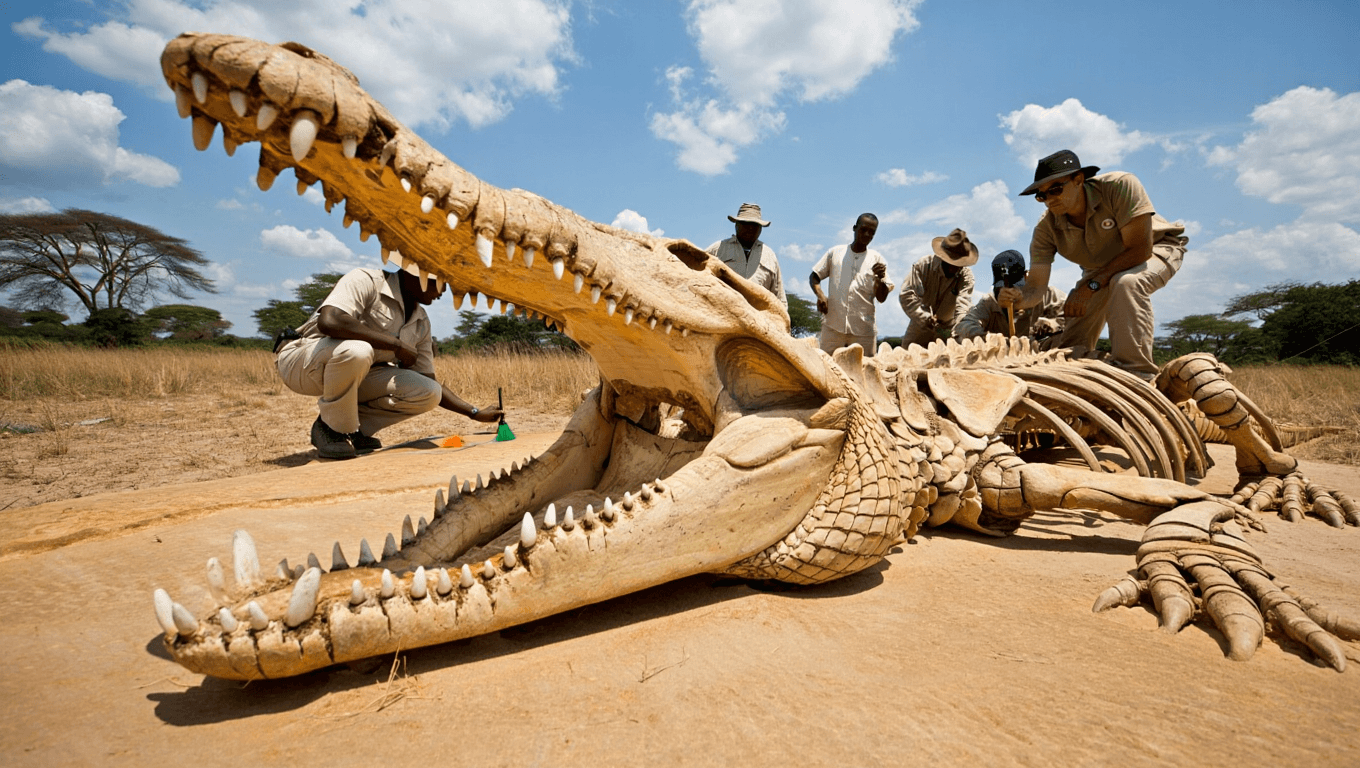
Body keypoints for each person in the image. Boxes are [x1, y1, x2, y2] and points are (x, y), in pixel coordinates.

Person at [276, 267, 503, 459]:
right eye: (439, 283)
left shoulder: (420, 321)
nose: (443, 291)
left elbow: (428, 380)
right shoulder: (366, 280)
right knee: (358, 350)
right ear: (415, 274)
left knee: (428, 392)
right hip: (303, 363)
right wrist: (396, 346)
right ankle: (333, 429)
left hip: (356, 374)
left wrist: (474, 412)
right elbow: (330, 320)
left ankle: (350, 428)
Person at [1000, 149, 1187, 380]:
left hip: (1154, 249)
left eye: (1056, 189)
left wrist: (1091, 286)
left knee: (1126, 283)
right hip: (1099, 272)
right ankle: (1078, 382)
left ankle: (1138, 377)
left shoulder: (1120, 186)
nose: (1049, 199)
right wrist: (1018, 298)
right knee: (1070, 348)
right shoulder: (1045, 229)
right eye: (1041, 195)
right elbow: (1036, 288)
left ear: (1078, 180)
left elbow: (1140, 249)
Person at [809, 213, 894, 357]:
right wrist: (820, 295)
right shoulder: (835, 253)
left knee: (864, 372)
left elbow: (881, 298)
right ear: (854, 228)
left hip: (863, 332)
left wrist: (879, 279)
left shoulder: (877, 260)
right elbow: (814, 276)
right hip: (833, 328)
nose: (867, 235)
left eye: (872, 232)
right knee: (826, 368)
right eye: (863, 229)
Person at [954, 249, 1066, 341]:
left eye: (1013, 287)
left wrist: (1054, 324)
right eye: (1001, 289)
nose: (1007, 293)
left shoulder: (1047, 295)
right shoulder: (988, 302)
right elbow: (963, 326)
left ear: (1026, 277)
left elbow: (1077, 317)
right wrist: (987, 337)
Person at [898, 228, 977, 347]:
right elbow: (907, 295)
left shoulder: (966, 276)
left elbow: (963, 305)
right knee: (907, 360)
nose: (958, 268)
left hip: (949, 329)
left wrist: (961, 327)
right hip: (920, 325)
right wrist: (924, 317)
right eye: (955, 263)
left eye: (961, 264)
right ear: (944, 257)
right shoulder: (923, 266)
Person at [706, 202, 786, 307]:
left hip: (758, 318)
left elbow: (779, 297)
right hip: (722, 315)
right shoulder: (718, 249)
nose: (750, 228)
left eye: (755, 225)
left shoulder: (769, 255)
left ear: (761, 228)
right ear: (736, 225)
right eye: (745, 223)